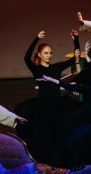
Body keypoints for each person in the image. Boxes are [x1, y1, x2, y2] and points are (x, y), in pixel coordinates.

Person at [15, 30, 76, 164]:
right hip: (44, 106)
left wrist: (75, 39)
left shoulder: (56, 68)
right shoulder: (37, 69)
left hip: (57, 105)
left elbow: (74, 58)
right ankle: (44, 159)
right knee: (45, 134)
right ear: (39, 54)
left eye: (50, 53)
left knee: (58, 133)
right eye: (46, 53)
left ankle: (58, 158)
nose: (49, 55)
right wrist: (36, 38)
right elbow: (26, 58)